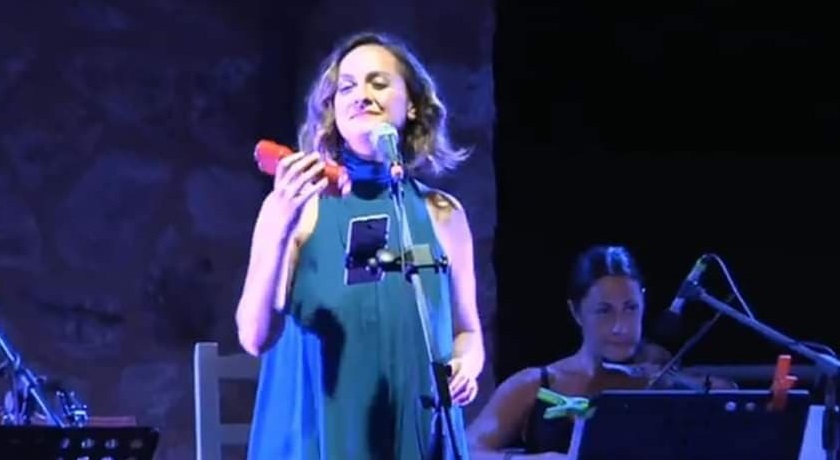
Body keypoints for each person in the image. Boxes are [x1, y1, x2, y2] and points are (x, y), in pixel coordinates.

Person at [235, 31, 485, 460]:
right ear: (333, 110)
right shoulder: (297, 208)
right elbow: (254, 337)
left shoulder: (443, 214)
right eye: (347, 87)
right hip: (320, 436)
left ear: (412, 105)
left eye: (378, 83)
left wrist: (466, 365)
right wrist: (280, 225)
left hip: (416, 433)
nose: (361, 95)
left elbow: (468, 331)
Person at [466, 245, 735, 459]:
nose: (620, 326)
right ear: (576, 312)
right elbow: (464, 451)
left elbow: (730, 414)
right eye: (604, 311)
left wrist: (676, 383)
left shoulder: (660, 382)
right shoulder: (535, 384)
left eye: (630, 308)